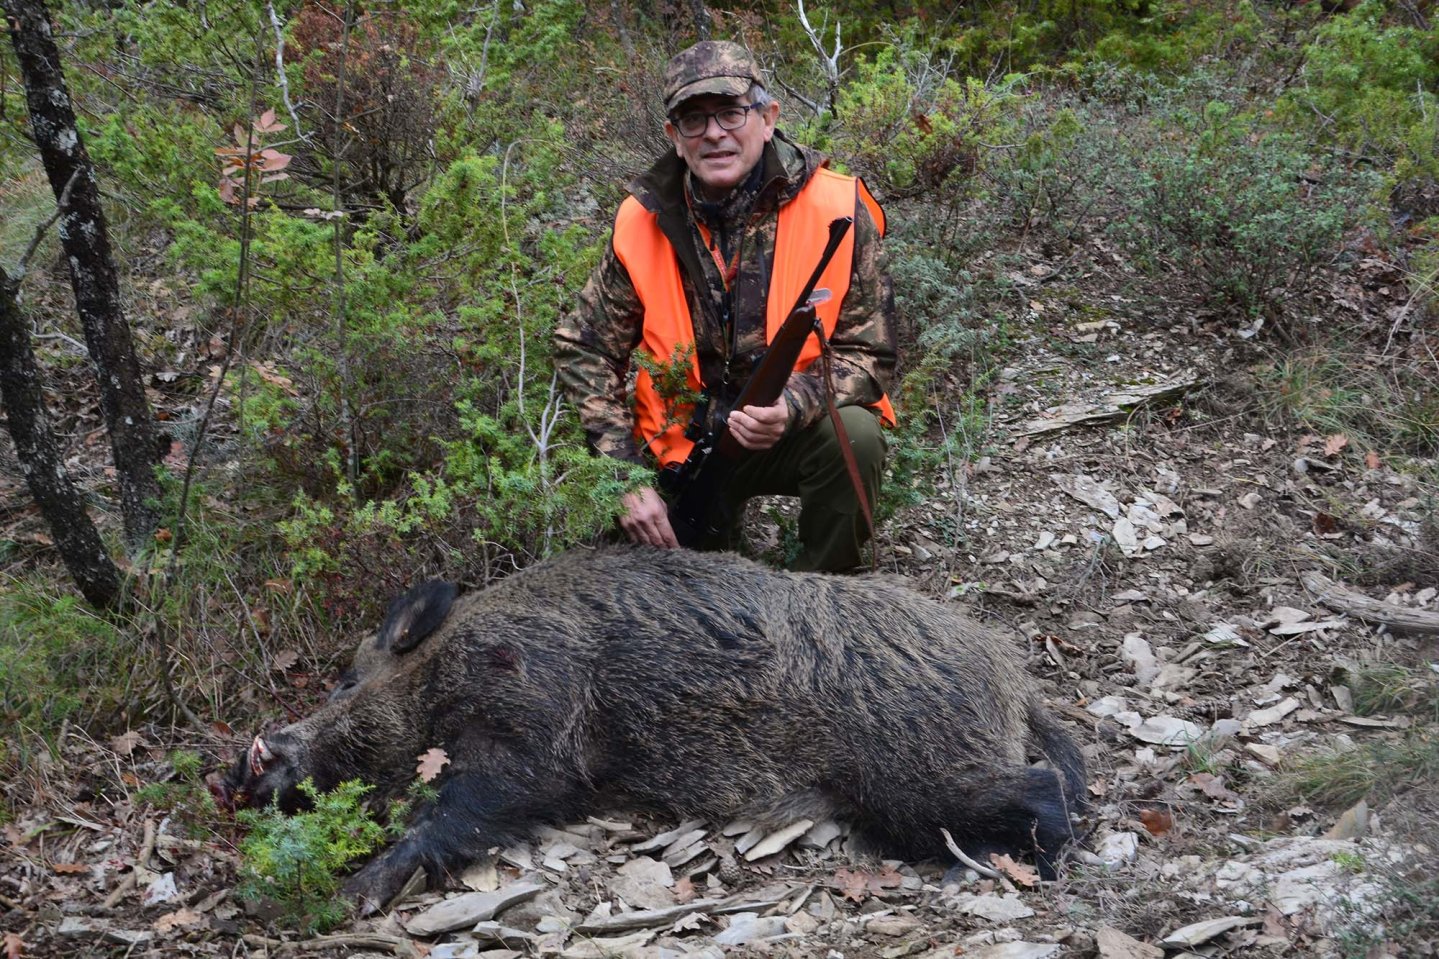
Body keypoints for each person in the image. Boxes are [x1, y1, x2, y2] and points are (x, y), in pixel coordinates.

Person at [554, 40, 897, 572]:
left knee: (854, 436)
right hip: (679, 453)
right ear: (674, 137)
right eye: (694, 120)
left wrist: (792, 405)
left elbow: (869, 353)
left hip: (785, 431)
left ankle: (825, 603)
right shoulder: (642, 219)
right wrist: (622, 478)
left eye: (732, 112)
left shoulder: (839, 207)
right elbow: (585, 347)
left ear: (767, 118)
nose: (714, 133)